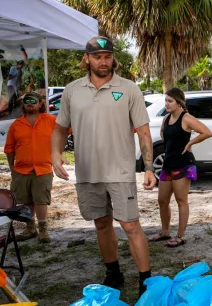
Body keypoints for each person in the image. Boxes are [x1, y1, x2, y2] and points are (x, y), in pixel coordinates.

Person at [51, 36, 156, 297]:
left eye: (107, 56)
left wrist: (149, 167)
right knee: (101, 223)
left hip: (120, 170)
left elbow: (143, 131)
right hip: (87, 171)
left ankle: (146, 281)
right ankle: (113, 273)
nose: (103, 61)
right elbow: (60, 128)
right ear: (86, 58)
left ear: (113, 58)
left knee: (130, 225)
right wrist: (55, 153)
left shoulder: (129, 88)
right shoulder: (72, 90)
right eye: (97, 56)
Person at [148, 88, 212, 247]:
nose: (166, 104)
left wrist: (190, 143)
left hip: (183, 164)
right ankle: (165, 232)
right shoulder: (166, 118)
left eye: (170, 101)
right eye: (166, 101)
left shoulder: (186, 118)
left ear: (179, 103)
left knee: (181, 200)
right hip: (168, 163)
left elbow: (207, 132)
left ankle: (180, 236)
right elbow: (165, 137)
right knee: (162, 200)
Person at [4, 91, 54, 243]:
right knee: (26, 200)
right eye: (27, 102)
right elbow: (10, 148)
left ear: (40, 104)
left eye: (33, 101)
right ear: (23, 105)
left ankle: (43, 230)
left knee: (41, 200)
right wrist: (12, 168)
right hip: (21, 169)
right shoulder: (16, 125)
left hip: (43, 168)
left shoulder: (51, 120)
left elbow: (66, 132)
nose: (30, 104)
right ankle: (30, 228)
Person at [7, 46, 28, 113]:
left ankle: (15, 111)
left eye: (22, 66)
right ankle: (10, 111)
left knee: (16, 99)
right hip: (10, 85)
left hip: (15, 86)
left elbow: (25, 58)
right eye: (20, 65)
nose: (21, 67)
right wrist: (15, 75)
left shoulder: (20, 70)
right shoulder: (13, 68)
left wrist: (23, 50)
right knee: (11, 98)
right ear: (18, 64)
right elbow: (9, 77)